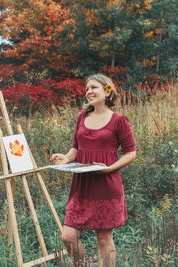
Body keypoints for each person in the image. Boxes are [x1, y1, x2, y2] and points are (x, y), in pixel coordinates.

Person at [50, 73, 136, 266]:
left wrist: (109, 169)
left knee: (104, 239)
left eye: (94, 87)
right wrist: (65, 158)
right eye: (87, 88)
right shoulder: (82, 117)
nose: (89, 91)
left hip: (106, 184)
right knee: (68, 237)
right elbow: (76, 148)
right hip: (82, 185)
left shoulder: (119, 121)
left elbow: (131, 153)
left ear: (107, 91)